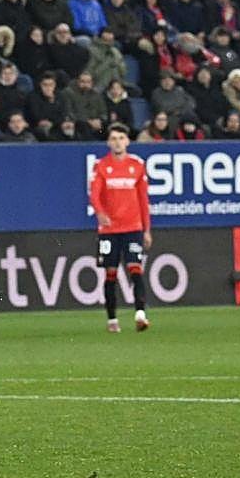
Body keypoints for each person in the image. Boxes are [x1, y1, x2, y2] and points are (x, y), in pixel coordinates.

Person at [88, 122, 152, 333]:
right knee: (111, 274)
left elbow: (143, 199)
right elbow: (94, 194)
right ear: (108, 142)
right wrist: (100, 212)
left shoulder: (137, 165)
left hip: (132, 227)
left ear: (128, 141)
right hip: (109, 230)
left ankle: (140, 314)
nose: (118, 142)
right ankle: (112, 319)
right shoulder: (101, 166)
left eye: (121, 138)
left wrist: (147, 229)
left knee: (136, 270)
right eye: (114, 138)